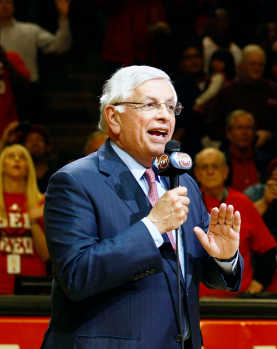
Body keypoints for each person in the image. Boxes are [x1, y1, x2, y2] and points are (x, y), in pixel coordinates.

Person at [41, 65, 243, 349]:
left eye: (171, 107)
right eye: (150, 105)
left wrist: (224, 258)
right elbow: (77, 276)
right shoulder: (74, 182)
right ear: (113, 117)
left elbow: (196, 276)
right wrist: (152, 228)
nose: (164, 115)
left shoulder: (181, 182)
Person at [194, 148, 277, 296]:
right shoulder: (188, 203)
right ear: (197, 173)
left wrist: (260, 282)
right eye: (204, 167)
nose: (210, 172)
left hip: (238, 300)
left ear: (226, 171)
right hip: (198, 299)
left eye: (215, 166)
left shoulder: (243, 202)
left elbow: (267, 249)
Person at [0, 144, 48, 294]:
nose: (17, 160)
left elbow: (46, 255)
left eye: (22, 157)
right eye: (11, 156)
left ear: (28, 167)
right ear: (2, 166)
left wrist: (33, 221)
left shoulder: (42, 203)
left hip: (31, 280)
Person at [0, 0, 71, 82]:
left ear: (13, 6)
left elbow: (60, 46)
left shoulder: (30, 30)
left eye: (8, 2)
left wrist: (63, 17)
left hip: (27, 87)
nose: (4, 5)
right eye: (0, 2)